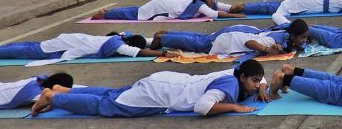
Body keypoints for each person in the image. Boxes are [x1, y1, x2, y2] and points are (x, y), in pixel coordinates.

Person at [30, 59, 268, 117]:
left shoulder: (233, 73)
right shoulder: (227, 87)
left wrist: (261, 87)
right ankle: (53, 97)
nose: (257, 85)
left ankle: (65, 90)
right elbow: (202, 107)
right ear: (243, 77)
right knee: (108, 105)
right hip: (158, 95)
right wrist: (234, 107)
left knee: (114, 94)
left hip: (165, 80)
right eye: (254, 81)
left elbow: (253, 73)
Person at [0, 32, 168, 64]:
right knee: (33, 51)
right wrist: (164, 53)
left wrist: (156, 39)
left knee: (35, 46)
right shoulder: (118, 45)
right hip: (69, 44)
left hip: (71, 39)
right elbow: (139, 52)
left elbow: (143, 42)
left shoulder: (120, 36)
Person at [152, 21, 309, 56]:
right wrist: (268, 50)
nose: (304, 41)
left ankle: (169, 34)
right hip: (234, 38)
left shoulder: (285, 33)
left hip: (241, 30)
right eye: (302, 38)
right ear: (293, 36)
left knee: (205, 39)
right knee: (200, 45)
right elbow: (249, 43)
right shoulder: (273, 41)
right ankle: (163, 38)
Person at [90, 0, 246, 21]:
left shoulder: (202, 0)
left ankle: (109, 10)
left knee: (139, 10)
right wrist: (235, 15)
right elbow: (214, 13)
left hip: (167, 2)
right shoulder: (200, 4)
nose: (212, 1)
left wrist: (232, 8)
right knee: (137, 14)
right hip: (164, 6)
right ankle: (105, 14)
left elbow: (220, 6)